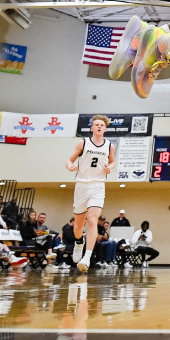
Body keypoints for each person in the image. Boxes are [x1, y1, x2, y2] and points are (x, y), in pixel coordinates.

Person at [66, 114, 115, 273]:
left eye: (102, 125)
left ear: (105, 129)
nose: (99, 126)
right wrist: (70, 166)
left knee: (92, 220)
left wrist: (111, 167)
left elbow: (112, 160)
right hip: (81, 185)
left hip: (98, 185)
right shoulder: (83, 143)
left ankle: (87, 257)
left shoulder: (109, 146)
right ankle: (79, 242)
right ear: (92, 128)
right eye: (97, 124)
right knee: (78, 226)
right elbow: (69, 160)